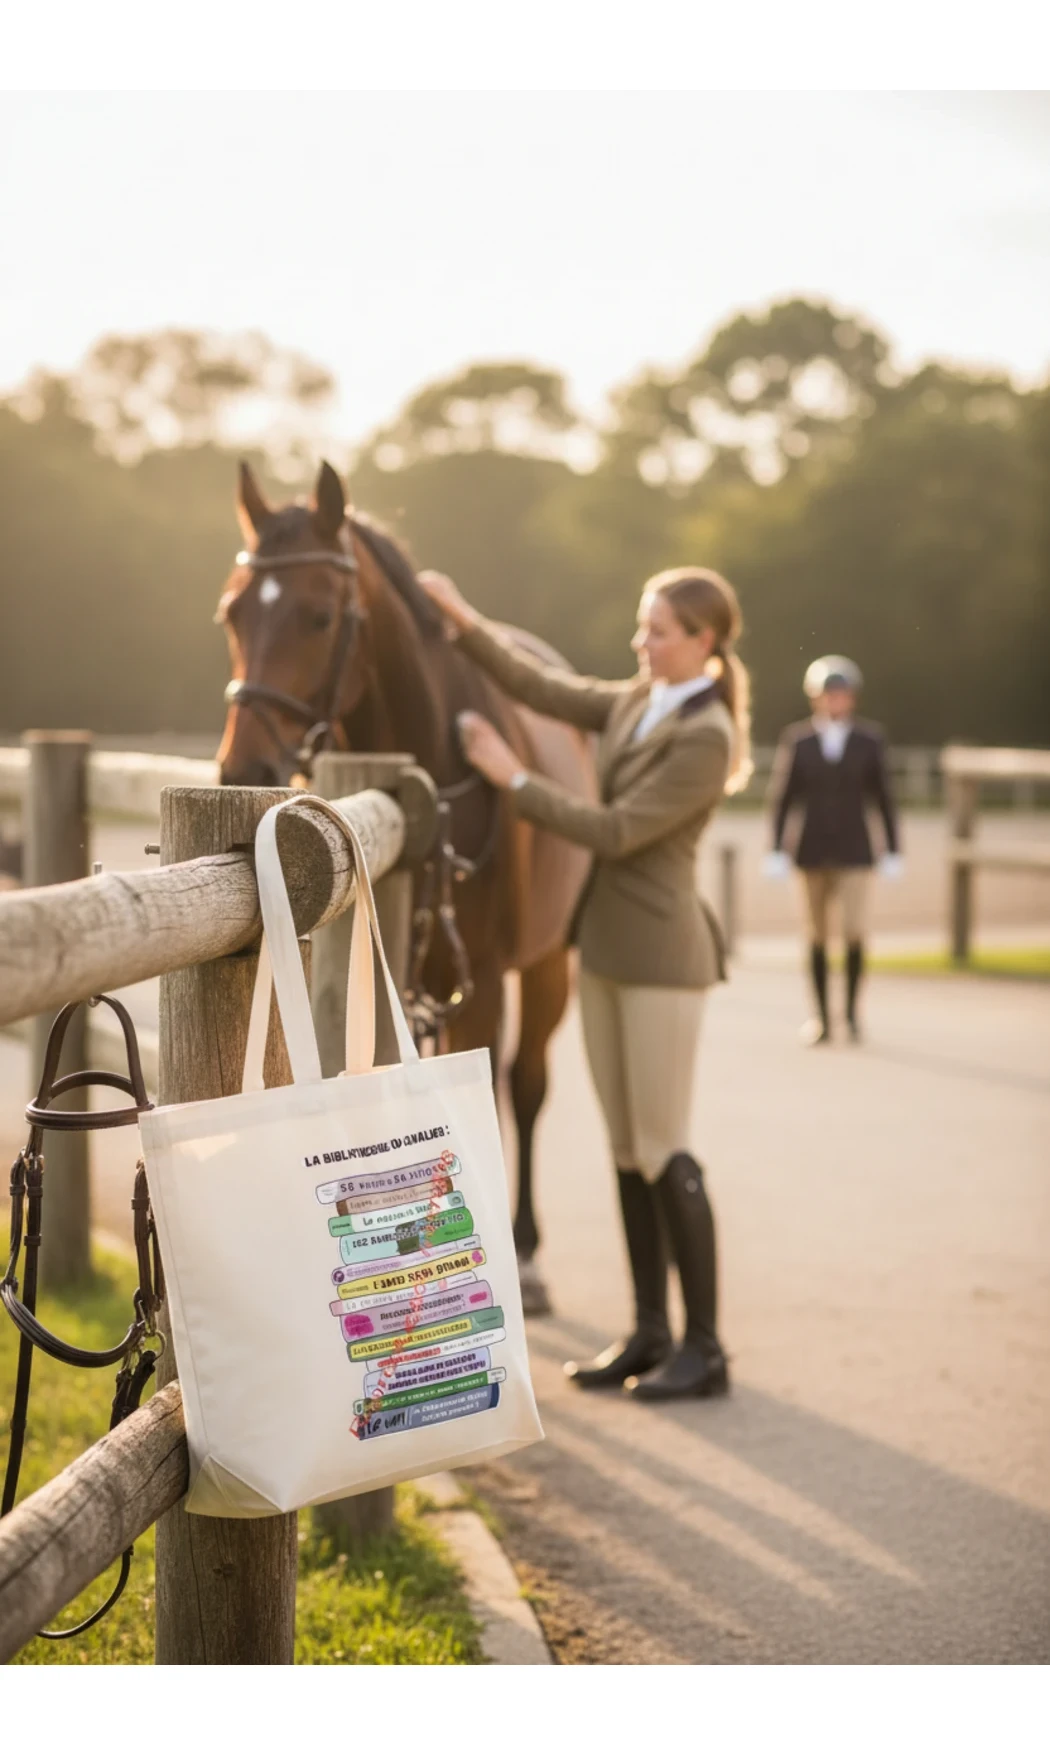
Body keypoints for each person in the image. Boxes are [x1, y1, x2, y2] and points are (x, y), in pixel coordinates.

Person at [418, 564, 752, 1402]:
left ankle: (705, 1346)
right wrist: (464, 618)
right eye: (643, 626)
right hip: (603, 951)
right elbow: (543, 685)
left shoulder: (708, 735)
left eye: (659, 630)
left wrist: (511, 778)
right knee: (624, 1148)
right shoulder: (641, 701)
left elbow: (614, 831)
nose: (642, 642)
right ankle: (648, 1330)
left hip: (661, 962)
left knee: (663, 1145)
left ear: (704, 642)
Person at [765, 655, 902, 1045]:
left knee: (855, 931)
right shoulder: (800, 740)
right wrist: (775, 847)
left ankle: (853, 1015)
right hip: (811, 851)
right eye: (828, 694)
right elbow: (784, 797)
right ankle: (822, 1017)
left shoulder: (869, 740)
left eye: (841, 694)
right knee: (816, 935)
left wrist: (893, 848)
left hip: (855, 850)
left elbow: (884, 798)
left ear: (851, 698)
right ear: (817, 698)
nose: (834, 701)